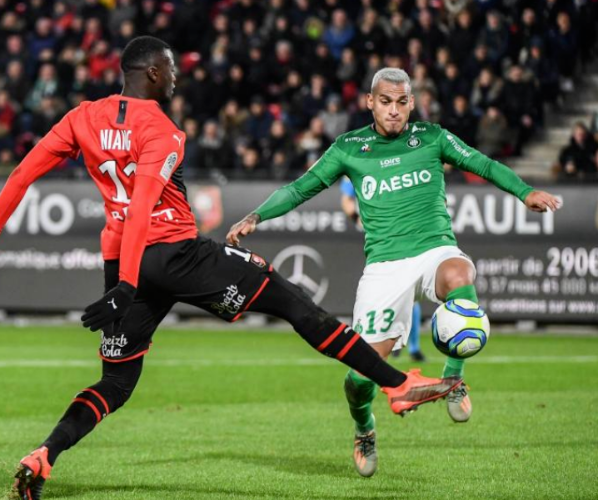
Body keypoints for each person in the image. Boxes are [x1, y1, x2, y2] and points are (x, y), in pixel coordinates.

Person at [0, 38, 460, 500]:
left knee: (116, 383)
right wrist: (126, 286)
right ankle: (396, 384)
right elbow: (144, 206)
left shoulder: (82, 117)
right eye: (171, 69)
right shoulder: (163, 130)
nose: (176, 77)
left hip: (123, 260)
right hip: (175, 256)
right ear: (152, 73)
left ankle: (45, 454)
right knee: (293, 302)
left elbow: (23, 172)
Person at [227, 67, 561, 478]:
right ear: (370, 102)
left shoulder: (432, 137)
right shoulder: (349, 147)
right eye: (385, 101)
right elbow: (300, 188)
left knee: (460, 276)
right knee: (359, 377)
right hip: (384, 266)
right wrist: (256, 216)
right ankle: (364, 427)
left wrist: (525, 192)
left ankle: (454, 377)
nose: (394, 110)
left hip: (434, 249)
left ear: (412, 104)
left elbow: (484, 164)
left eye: (402, 102)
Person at [339, 177, 425, 362]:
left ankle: (408, 345)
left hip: (398, 236)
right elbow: (346, 199)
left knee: (406, 290)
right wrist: (357, 218)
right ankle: (397, 342)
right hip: (378, 240)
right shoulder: (359, 168)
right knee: (393, 291)